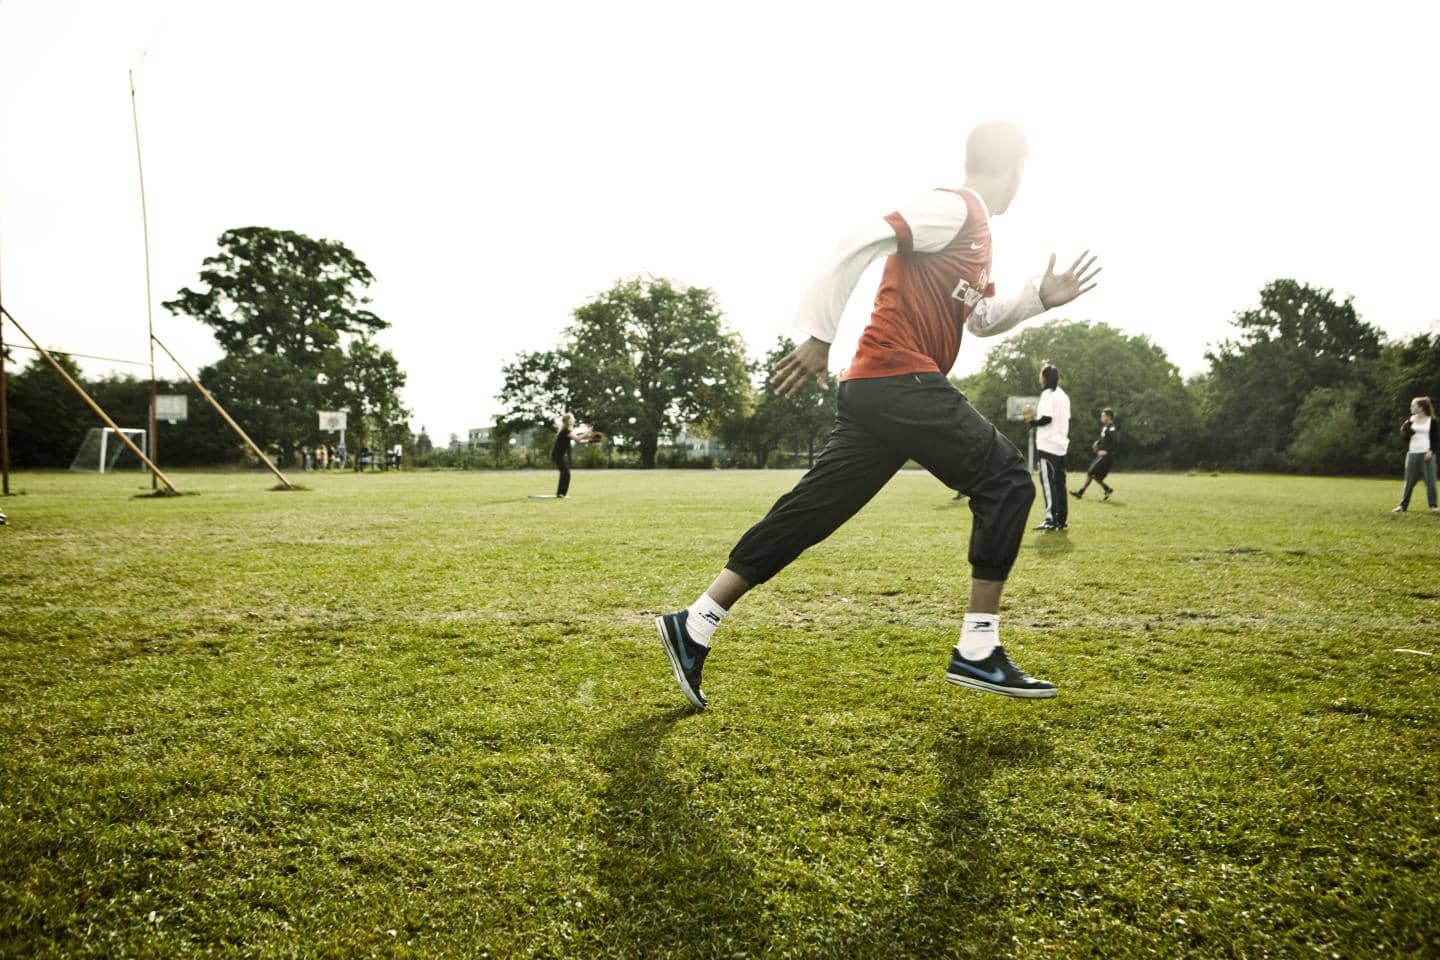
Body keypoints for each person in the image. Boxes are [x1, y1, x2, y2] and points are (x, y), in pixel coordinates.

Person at [654, 121, 1101, 709]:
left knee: (811, 512)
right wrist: (818, 333)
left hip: (877, 391)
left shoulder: (978, 236)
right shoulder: (955, 208)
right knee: (1008, 478)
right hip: (899, 378)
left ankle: (695, 624)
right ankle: (977, 648)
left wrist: (1038, 298)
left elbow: (982, 318)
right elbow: (859, 241)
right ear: (1014, 168)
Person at [1027, 364, 1070, 530]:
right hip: (1061, 445)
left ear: (1044, 378)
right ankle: (1061, 520)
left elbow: (1047, 418)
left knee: (1048, 482)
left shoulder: (1047, 394)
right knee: (1060, 483)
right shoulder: (1063, 396)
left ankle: (1050, 519)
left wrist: (1033, 422)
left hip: (1048, 445)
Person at [1394, 396, 1438, 513]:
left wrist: (1431, 451)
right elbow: (1407, 438)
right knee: (1409, 480)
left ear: (1421, 408)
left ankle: (1433, 506)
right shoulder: (1411, 419)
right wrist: (1404, 433)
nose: (1411, 407)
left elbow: (1435, 439)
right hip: (1412, 452)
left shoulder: (1432, 421)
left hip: (1426, 453)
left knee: (1430, 481)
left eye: (1413, 405)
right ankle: (1403, 506)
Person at [1072, 407, 1118, 501]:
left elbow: (1116, 441)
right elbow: (1105, 439)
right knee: (1094, 475)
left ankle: (1080, 493)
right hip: (1101, 456)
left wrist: (1107, 451)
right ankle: (1107, 489)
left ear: (1108, 417)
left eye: (1103, 416)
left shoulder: (1112, 427)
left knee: (1090, 473)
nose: (1101, 417)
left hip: (1106, 457)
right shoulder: (1105, 427)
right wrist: (1098, 443)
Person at [550, 414, 600, 498]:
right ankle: (561, 494)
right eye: (572, 418)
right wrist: (587, 432)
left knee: (565, 473)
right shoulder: (566, 430)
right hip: (557, 455)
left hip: (560, 455)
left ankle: (561, 493)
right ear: (568, 421)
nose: (574, 419)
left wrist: (591, 441)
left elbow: (578, 441)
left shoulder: (569, 430)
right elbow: (578, 439)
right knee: (565, 473)